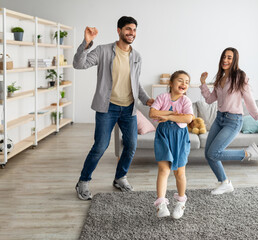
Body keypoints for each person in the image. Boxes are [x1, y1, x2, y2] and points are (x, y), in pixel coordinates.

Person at [73, 16, 154, 200]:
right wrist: (86, 43)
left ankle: (120, 177)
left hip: (129, 109)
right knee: (100, 146)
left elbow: (136, 83)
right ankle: (83, 181)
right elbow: (79, 64)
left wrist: (146, 99)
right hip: (107, 107)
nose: (131, 33)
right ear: (119, 30)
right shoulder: (102, 50)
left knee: (131, 145)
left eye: (134, 30)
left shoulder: (137, 56)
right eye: (127, 29)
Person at [200, 47, 258, 195]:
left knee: (214, 152)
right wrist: (203, 84)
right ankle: (225, 183)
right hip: (219, 119)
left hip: (233, 121)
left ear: (235, 60)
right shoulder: (220, 78)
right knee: (208, 154)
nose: (225, 60)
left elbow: (249, 99)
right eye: (224, 57)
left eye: (229, 57)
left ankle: (247, 154)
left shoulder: (240, 77)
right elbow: (210, 99)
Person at [149, 70, 193, 219]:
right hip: (163, 136)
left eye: (187, 82)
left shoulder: (185, 101)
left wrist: (166, 116)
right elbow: (152, 113)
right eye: (180, 80)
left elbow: (188, 118)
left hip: (180, 137)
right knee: (164, 170)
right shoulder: (163, 97)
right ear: (171, 83)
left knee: (179, 173)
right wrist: (175, 116)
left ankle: (181, 203)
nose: (184, 84)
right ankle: (161, 205)